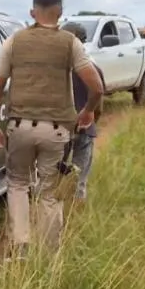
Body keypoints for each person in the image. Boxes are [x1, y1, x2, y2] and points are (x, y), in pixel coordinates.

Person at [0, 0, 105, 259]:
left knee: (17, 184)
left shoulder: (14, 42)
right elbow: (96, 87)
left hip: (19, 127)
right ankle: (50, 255)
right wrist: (87, 112)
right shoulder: (70, 43)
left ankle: (21, 247)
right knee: (49, 192)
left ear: (32, 13)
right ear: (60, 14)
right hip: (57, 130)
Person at [59, 22, 106, 202]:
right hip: (84, 128)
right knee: (79, 178)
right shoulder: (93, 68)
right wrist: (91, 120)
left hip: (58, 129)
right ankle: (76, 209)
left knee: (53, 174)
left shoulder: (53, 69)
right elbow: (98, 106)